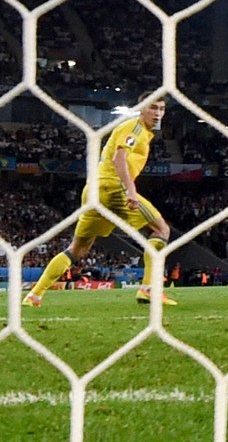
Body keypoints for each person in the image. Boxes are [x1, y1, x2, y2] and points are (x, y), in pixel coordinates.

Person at [23, 94, 175, 308]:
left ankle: (35, 295)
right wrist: (130, 190)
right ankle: (148, 289)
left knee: (77, 250)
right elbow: (119, 157)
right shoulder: (135, 128)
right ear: (141, 109)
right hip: (115, 189)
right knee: (161, 230)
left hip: (94, 191)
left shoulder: (141, 131)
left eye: (161, 109)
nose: (158, 113)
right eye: (153, 108)